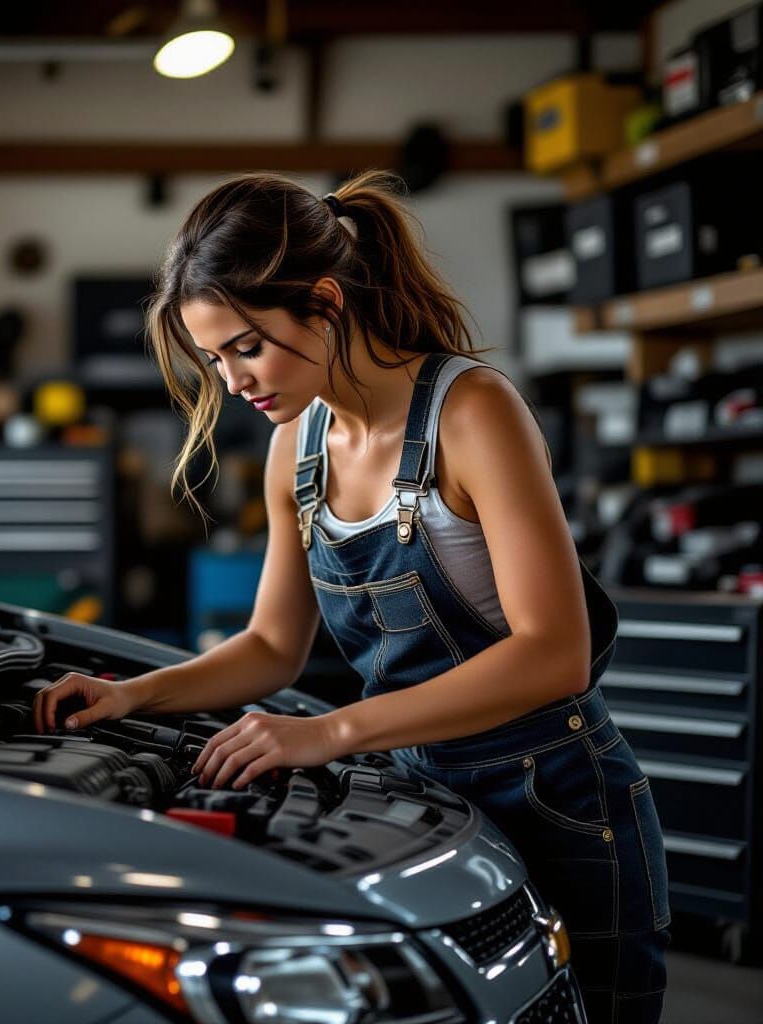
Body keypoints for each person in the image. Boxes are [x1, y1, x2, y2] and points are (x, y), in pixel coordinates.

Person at [33, 170, 670, 1023]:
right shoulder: (296, 444)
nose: (233, 383)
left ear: (325, 303)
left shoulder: (471, 412)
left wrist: (329, 731)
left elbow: (552, 652)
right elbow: (270, 646)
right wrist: (131, 694)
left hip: (559, 801)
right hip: (427, 800)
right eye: (215, 359)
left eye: (247, 347)